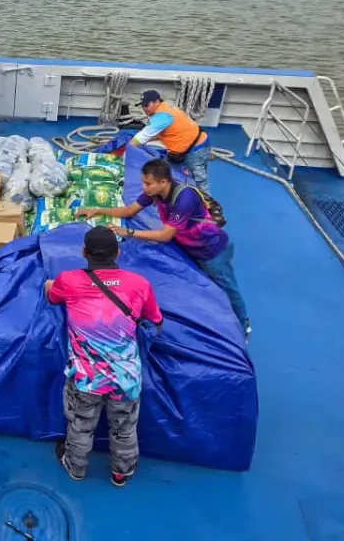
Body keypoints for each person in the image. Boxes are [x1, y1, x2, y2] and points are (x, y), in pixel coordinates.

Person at [78, 158, 250, 339]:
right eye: (143, 183)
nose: (144, 188)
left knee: (228, 289)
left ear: (164, 182)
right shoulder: (154, 193)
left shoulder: (184, 199)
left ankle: (242, 325)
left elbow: (165, 235)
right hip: (190, 246)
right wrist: (96, 210)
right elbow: (129, 211)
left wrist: (128, 232)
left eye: (148, 184)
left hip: (212, 251)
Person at [45, 226, 162, 487]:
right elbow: (156, 321)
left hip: (86, 378)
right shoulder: (139, 284)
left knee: (80, 424)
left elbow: (52, 297)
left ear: (83, 252)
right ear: (118, 253)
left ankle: (75, 467)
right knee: (124, 427)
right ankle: (121, 472)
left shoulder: (68, 280)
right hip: (126, 377)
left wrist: (49, 285)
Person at [129, 90, 212, 195]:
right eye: (143, 106)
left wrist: (129, 146)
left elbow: (142, 137)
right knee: (166, 171)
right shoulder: (166, 108)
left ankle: (209, 207)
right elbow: (160, 133)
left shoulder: (162, 116)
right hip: (181, 149)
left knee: (199, 182)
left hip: (195, 149)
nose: (145, 108)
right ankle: (173, 195)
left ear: (157, 102)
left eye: (147, 105)